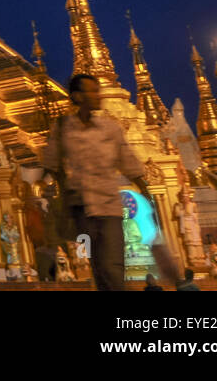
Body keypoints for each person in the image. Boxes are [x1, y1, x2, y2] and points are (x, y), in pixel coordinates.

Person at [43, 74, 148, 291]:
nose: (97, 95)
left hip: (109, 205)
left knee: (113, 266)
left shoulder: (110, 128)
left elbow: (126, 158)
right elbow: (51, 163)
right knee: (98, 267)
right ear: (77, 97)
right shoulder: (63, 127)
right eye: (91, 91)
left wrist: (145, 189)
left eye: (97, 90)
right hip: (80, 208)